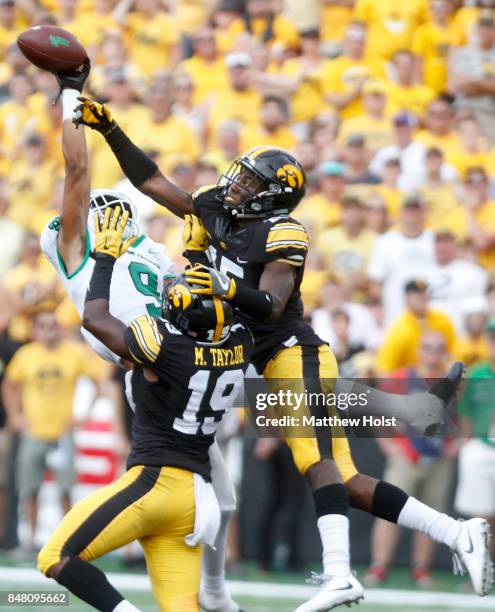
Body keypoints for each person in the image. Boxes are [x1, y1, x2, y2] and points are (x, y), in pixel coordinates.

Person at [75, 97, 493, 608]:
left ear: (272, 197)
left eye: (251, 183)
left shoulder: (283, 232)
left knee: (314, 460)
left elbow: (271, 305)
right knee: (350, 480)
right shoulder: (216, 207)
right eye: (241, 176)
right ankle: (457, 533)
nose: (237, 185)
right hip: (253, 356)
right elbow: (153, 181)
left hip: (290, 351)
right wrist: (110, 129)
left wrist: (223, 291)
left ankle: (339, 574)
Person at [40, 62, 241, 612]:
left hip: (187, 358)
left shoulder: (150, 253)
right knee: (209, 490)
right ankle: (214, 594)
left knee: (219, 494)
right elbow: (76, 171)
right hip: (149, 366)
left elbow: (190, 294)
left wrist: (201, 256)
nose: (107, 217)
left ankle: (215, 592)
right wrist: (70, 99)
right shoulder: (82, 253)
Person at [37, 206, 253, 612]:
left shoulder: (165, 347)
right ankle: (219, 591)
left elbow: (95, 317)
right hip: (194, 500)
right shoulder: (239, 343)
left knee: (55, 555)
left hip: (155, 484)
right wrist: (200, 260)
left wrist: (103, 257)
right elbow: (227, 305)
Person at [3, 310, 101, 550]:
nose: (48, 331)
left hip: (63, 431)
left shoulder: (73, 354)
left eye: (52, 326)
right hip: (34, 430)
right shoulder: (26, 355)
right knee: (30, 488)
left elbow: (98, 382)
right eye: (43, 326)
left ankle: (67, 541)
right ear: (34, 331)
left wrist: (83, 414)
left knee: (66, 488)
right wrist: (15, 415)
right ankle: (31, 540)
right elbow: (9, 385)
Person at [366, 331, 457, 587]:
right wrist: (388, 445)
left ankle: (421, 570)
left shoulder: (449, 380)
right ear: (419, 350)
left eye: (438, 347)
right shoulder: (402, 378)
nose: (433, 352)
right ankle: (379, 566)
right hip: (407, 455)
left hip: (437, 458)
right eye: (428, 347)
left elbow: (459, 418)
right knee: (390, 511)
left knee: (432, 517)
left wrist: (454, 446)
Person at [455, 318, 495, 555]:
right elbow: (465, 411)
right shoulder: (478, 373)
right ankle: (482, 569)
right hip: (481, 446)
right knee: (481, 516)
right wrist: (466, 441)